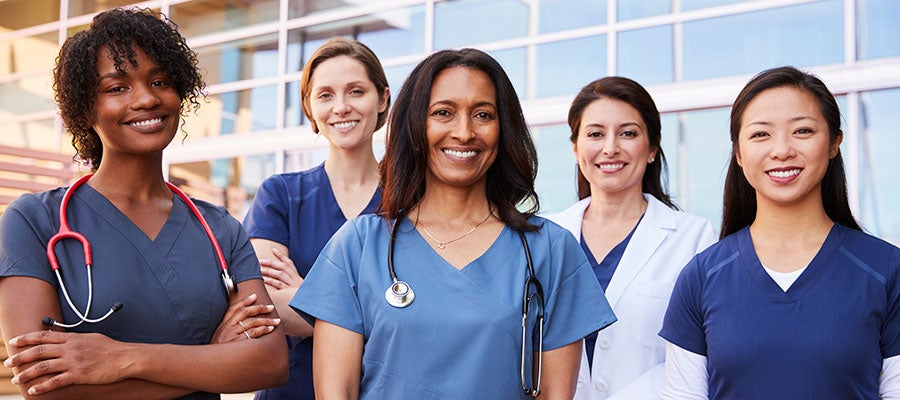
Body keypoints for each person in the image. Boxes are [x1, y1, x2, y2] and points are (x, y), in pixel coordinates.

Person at [289, 48, 617, 398]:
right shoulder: (357, 246)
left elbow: (554, 394)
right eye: (443, 113)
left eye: (483, 115)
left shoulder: (550, 249)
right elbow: (337, 393)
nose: (464, 132)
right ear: (415, 125)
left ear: (503, 129)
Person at [0, 8, 288, 400]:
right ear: (85, 110)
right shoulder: (34, 220)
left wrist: (122, 359)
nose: (147, 99)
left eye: (160, 81)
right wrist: (211, 361)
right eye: (117, 87)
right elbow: (43, 383)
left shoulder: (220, 228)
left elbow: (269, 362)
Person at [659, 66, 900, 399]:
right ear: (739, 154)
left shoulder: (887, 269)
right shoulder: (701, 277)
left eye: (802, 131)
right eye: (761, 134)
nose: (782, 150)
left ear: (834, 143)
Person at [546, 76, 715, 400]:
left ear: (651, 148)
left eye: (628, 133)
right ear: (575, 147)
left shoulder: (694, 238)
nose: (610, 147)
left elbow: (700, 358)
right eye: (595, 134)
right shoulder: (544, 238)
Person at [242, 36, 390, 400]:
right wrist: (371, 312)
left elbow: (422, 316)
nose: (341, 107)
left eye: (356, 91)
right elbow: (262, 304)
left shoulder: (411, 201)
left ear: (382, 99)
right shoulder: (280, 195)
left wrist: (305, 294)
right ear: (309, 108)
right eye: (325, 95)